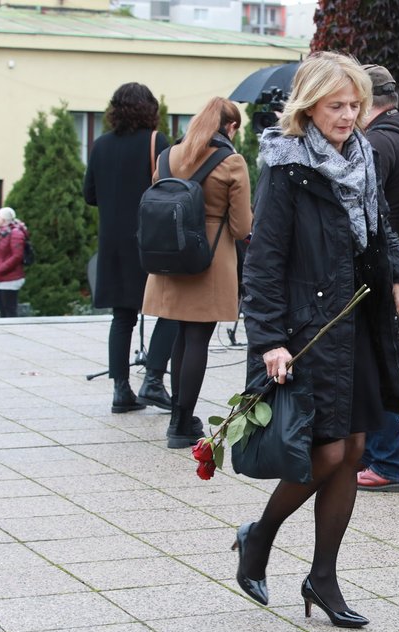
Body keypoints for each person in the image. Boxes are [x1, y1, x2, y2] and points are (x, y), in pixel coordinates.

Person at [237, 51, 399, 629]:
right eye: (337, 105)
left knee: (356, 448)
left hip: (359, 326)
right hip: (307, 329)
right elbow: (263, 261)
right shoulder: (285, 168)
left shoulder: (361, 156)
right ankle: (258, 536)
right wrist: (269, 339)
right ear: (309, 104)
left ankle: (323, 577)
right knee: (328, 450)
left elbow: (380, 229)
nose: (348, 115)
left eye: (355, 105)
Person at [142, 97, 252, 449]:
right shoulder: (232, 161)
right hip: (210, 258)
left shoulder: (167, 156)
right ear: (231, 127)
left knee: (180, 335)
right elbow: (240, 227)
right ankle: (180, 423)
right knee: (198, 339)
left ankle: (180, 415)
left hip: (169, 255)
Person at [83, 82, 178, 414]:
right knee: (171, 310)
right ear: (150, 109)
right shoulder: (156, 142)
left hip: (112, 242)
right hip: (149, 240)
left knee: (121, 317)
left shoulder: (100, 145)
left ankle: (121, 390)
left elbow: (89, 195)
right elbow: (169, 188)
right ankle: (153, 378)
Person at [355, 63, 399, 493]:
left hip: (381, 267)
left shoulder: (377, 141)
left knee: (377, 369)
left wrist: (398, 273)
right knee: (378, 366)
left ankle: (388, 463)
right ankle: (374, 457)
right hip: (392, 264)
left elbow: (375, 218)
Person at [0, 206, 28, 318]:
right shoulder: (4, 233)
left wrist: (1, 268)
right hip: (2, 277)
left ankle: (13, 331)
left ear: (2, 219)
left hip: (11, 277)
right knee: (2, 307)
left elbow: (17, 255)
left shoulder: (15, 233)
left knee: (9, 309)